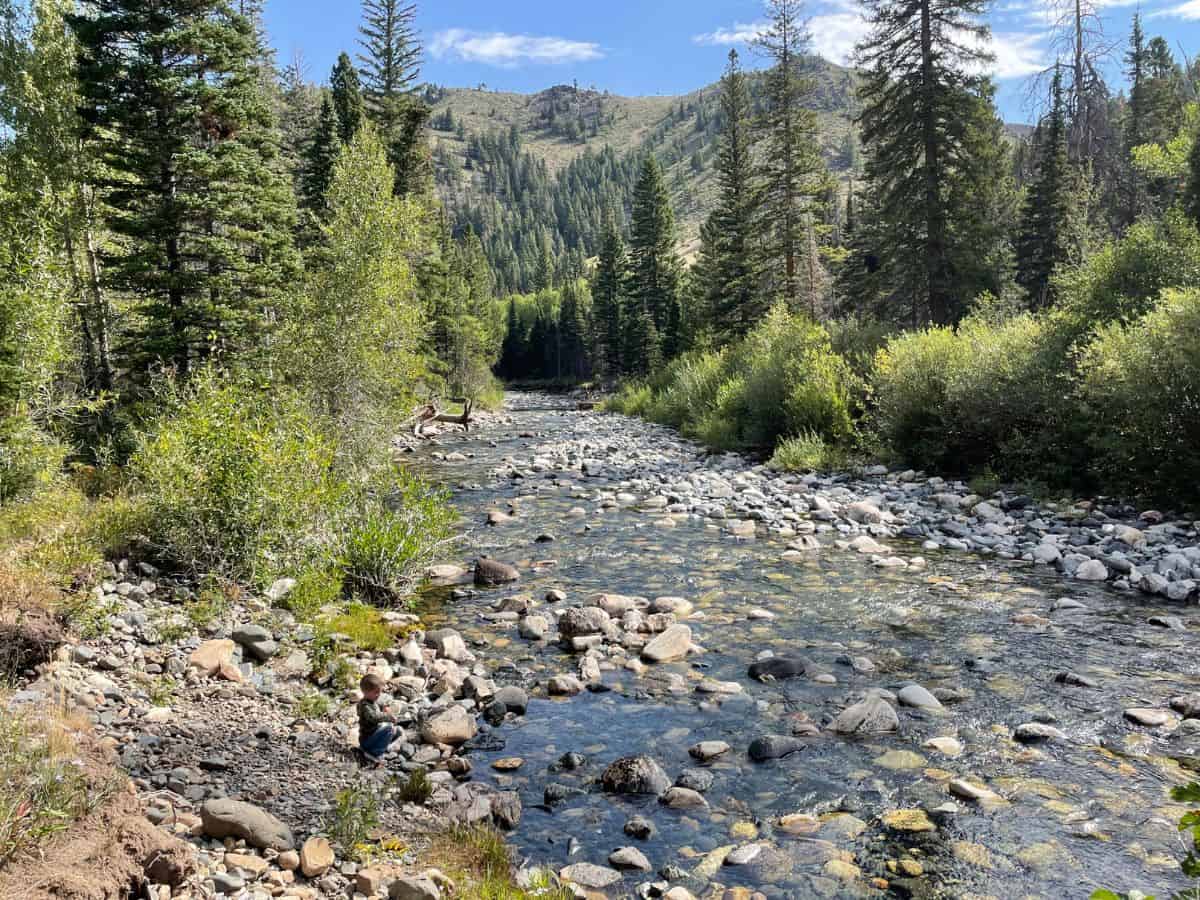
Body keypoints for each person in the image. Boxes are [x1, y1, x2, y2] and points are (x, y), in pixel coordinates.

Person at [357, 673, 398, 761]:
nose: (379, 695)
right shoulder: (365, 706)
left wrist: (384, 706)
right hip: (366, 740)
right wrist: (389, 716)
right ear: (366, 692)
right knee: (389, 728)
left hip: (369, 736)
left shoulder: (369, 701)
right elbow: (374, 717)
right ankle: (375, 753)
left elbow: (378, 706)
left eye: (380, 692)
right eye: (376, 692)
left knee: (391, 728)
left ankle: (378, 746)